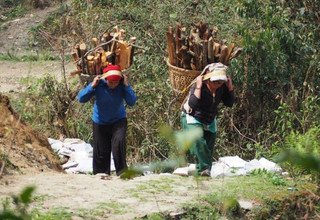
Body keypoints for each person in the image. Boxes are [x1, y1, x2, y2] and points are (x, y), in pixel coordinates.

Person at [77, 64, 137, 176]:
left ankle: (122, 173)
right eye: (111, 82)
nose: (113, 85)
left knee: (118, 144)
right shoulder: (98, 85)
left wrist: (127, 86)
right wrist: (92, 86)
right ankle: (101, 175)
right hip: (100, 122)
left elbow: (132, 102)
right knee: (101, 151)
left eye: (116, 82)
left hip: (118, 121)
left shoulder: (122, 86)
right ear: (105, 79)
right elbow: (81, 98)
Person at [181, 63, 235, 176]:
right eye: (215, 82)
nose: (218, 85)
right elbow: (193, 104)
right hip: (193, 117)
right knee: (199, 142)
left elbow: (229, 103)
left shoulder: (222, 87)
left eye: (221, 82)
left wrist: (230, 88)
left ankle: (203, 171)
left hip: (209, 118)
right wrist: (199, 86)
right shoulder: (199, 85)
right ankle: (204, 170)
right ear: (208, 79)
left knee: (209, 146)